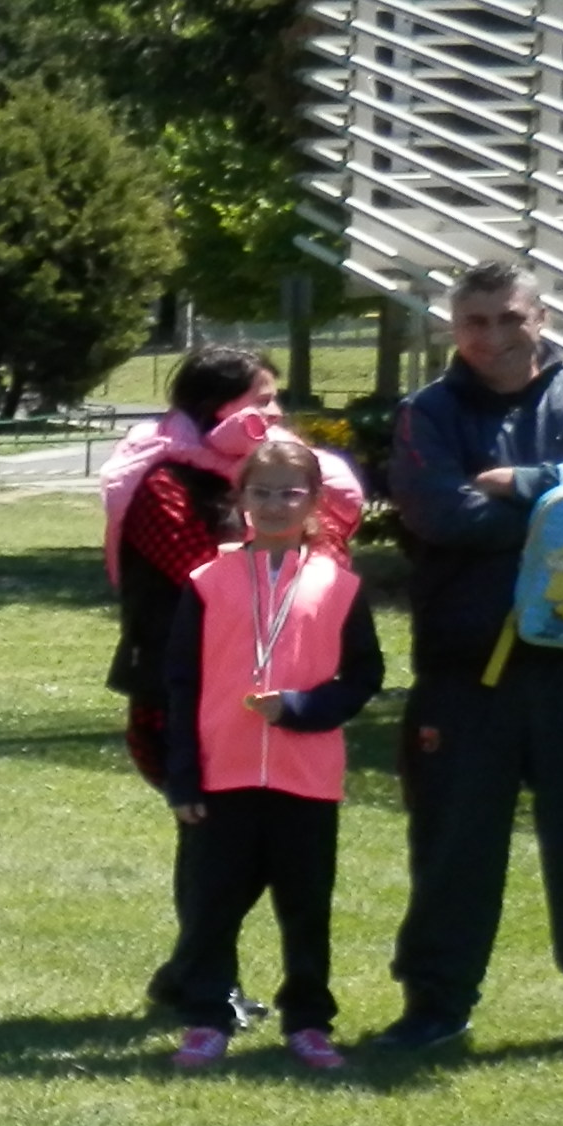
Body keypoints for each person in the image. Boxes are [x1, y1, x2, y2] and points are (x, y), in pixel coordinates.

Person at [380, 262, 563, 1066]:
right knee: (452, 849)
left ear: (541, 318)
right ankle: (435, 1007)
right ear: (453, 327)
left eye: (511, 318)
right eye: (476, 321)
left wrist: (524, 484)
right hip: (466, 669)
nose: (494, 337)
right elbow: (440, 511)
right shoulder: (426, 412)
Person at [153, 430, 385, 1072]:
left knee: (305, 908)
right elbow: (181, 683)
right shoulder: (207, 583)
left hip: (305, 774)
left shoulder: (338, 585)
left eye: (290, 493)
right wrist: (183, 776)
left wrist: (304, 709)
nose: (275, 505)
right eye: (262, 492)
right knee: (212, 906)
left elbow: (364, 675)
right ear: (241, 499)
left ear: (313, 500)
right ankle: (206, 1016)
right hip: (222, 772)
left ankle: (308, 1020)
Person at [106, 346, 282, 796]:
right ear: (216, 407)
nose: (276, 414)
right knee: (211, 818)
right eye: (262, 402)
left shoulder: (251, 475)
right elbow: (204, 579)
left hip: (250, 681)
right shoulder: (161, 482)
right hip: (180, 690)